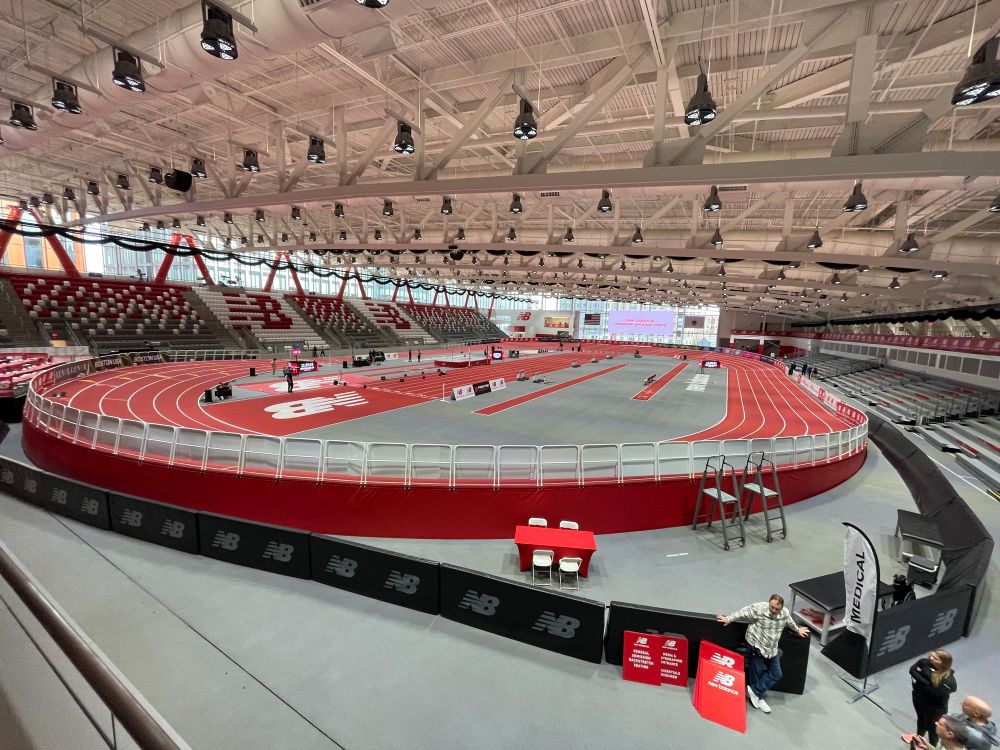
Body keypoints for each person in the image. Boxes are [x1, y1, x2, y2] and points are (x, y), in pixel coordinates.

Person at [716, 594, 809, 714]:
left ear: (781, 608)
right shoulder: (758, 609)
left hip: (772, 650)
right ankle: (758, 698)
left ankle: (753, 692)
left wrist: (797, 629)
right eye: (772, 607)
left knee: (777, 673)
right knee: (757, 674)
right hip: (756, 647)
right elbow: (743, 613)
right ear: (768, 602)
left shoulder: (784, 613)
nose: (774, 611)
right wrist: (729, 618)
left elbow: (789, 622)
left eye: (777, 609)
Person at [910, 650, 958, 747]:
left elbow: (933, 692)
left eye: (935, 658)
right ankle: (916, 743)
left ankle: (931, 747)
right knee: (921, 723)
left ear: (943, 663)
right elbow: (912, 670)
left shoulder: (949, 681)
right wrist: (929, 682)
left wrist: (921, 675)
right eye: (931, 655)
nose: (931, 658)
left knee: (933, 731)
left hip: (934, 710)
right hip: (919, 700)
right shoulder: (924, 662)